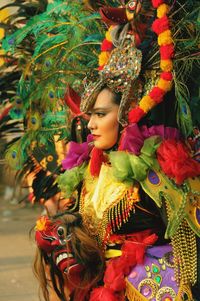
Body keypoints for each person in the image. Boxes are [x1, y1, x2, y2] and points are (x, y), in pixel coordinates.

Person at [34, 1, 200, 300]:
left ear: (125, 115)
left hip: (150, 287)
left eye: (100, 115)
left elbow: (189, 244)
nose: (91, 126)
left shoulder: (157, 168)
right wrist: (63, 228)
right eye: (89, 118)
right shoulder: (91, 167)